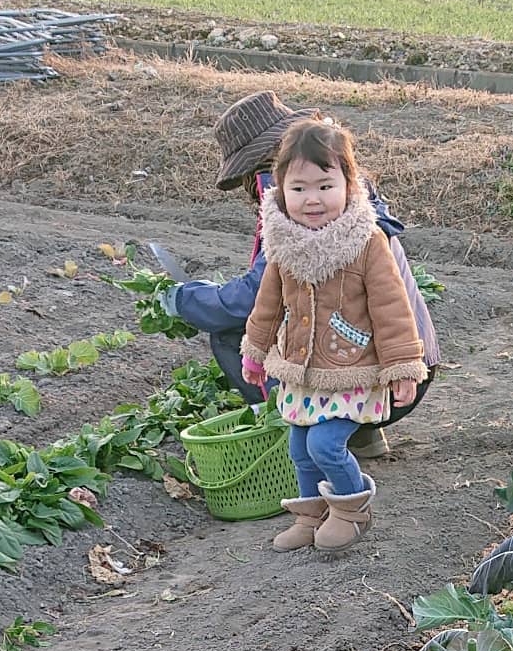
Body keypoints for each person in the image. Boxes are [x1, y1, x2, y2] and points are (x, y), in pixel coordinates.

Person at [158, 90, 439, 461]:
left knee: (230, 333)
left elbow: (250, 301)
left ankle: (301, 435)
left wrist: (184, 300)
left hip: (383, 375)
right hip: (404, 368)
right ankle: (357, 436)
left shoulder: (318, 216)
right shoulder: (341, 188)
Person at [240, 119, 428, 557]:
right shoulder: (283, 241)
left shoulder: (366, 241)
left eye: (325, 186)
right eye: (299, 188)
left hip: (354, 367)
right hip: (303, 369)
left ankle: (351, 509)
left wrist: (403, 367)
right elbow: (268, 304)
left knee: (326, 443)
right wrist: (255, 352)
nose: (313, 200)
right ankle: (312, 516)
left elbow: (391, 307)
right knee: (299, 445)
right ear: (280, 189)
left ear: (349, 184)